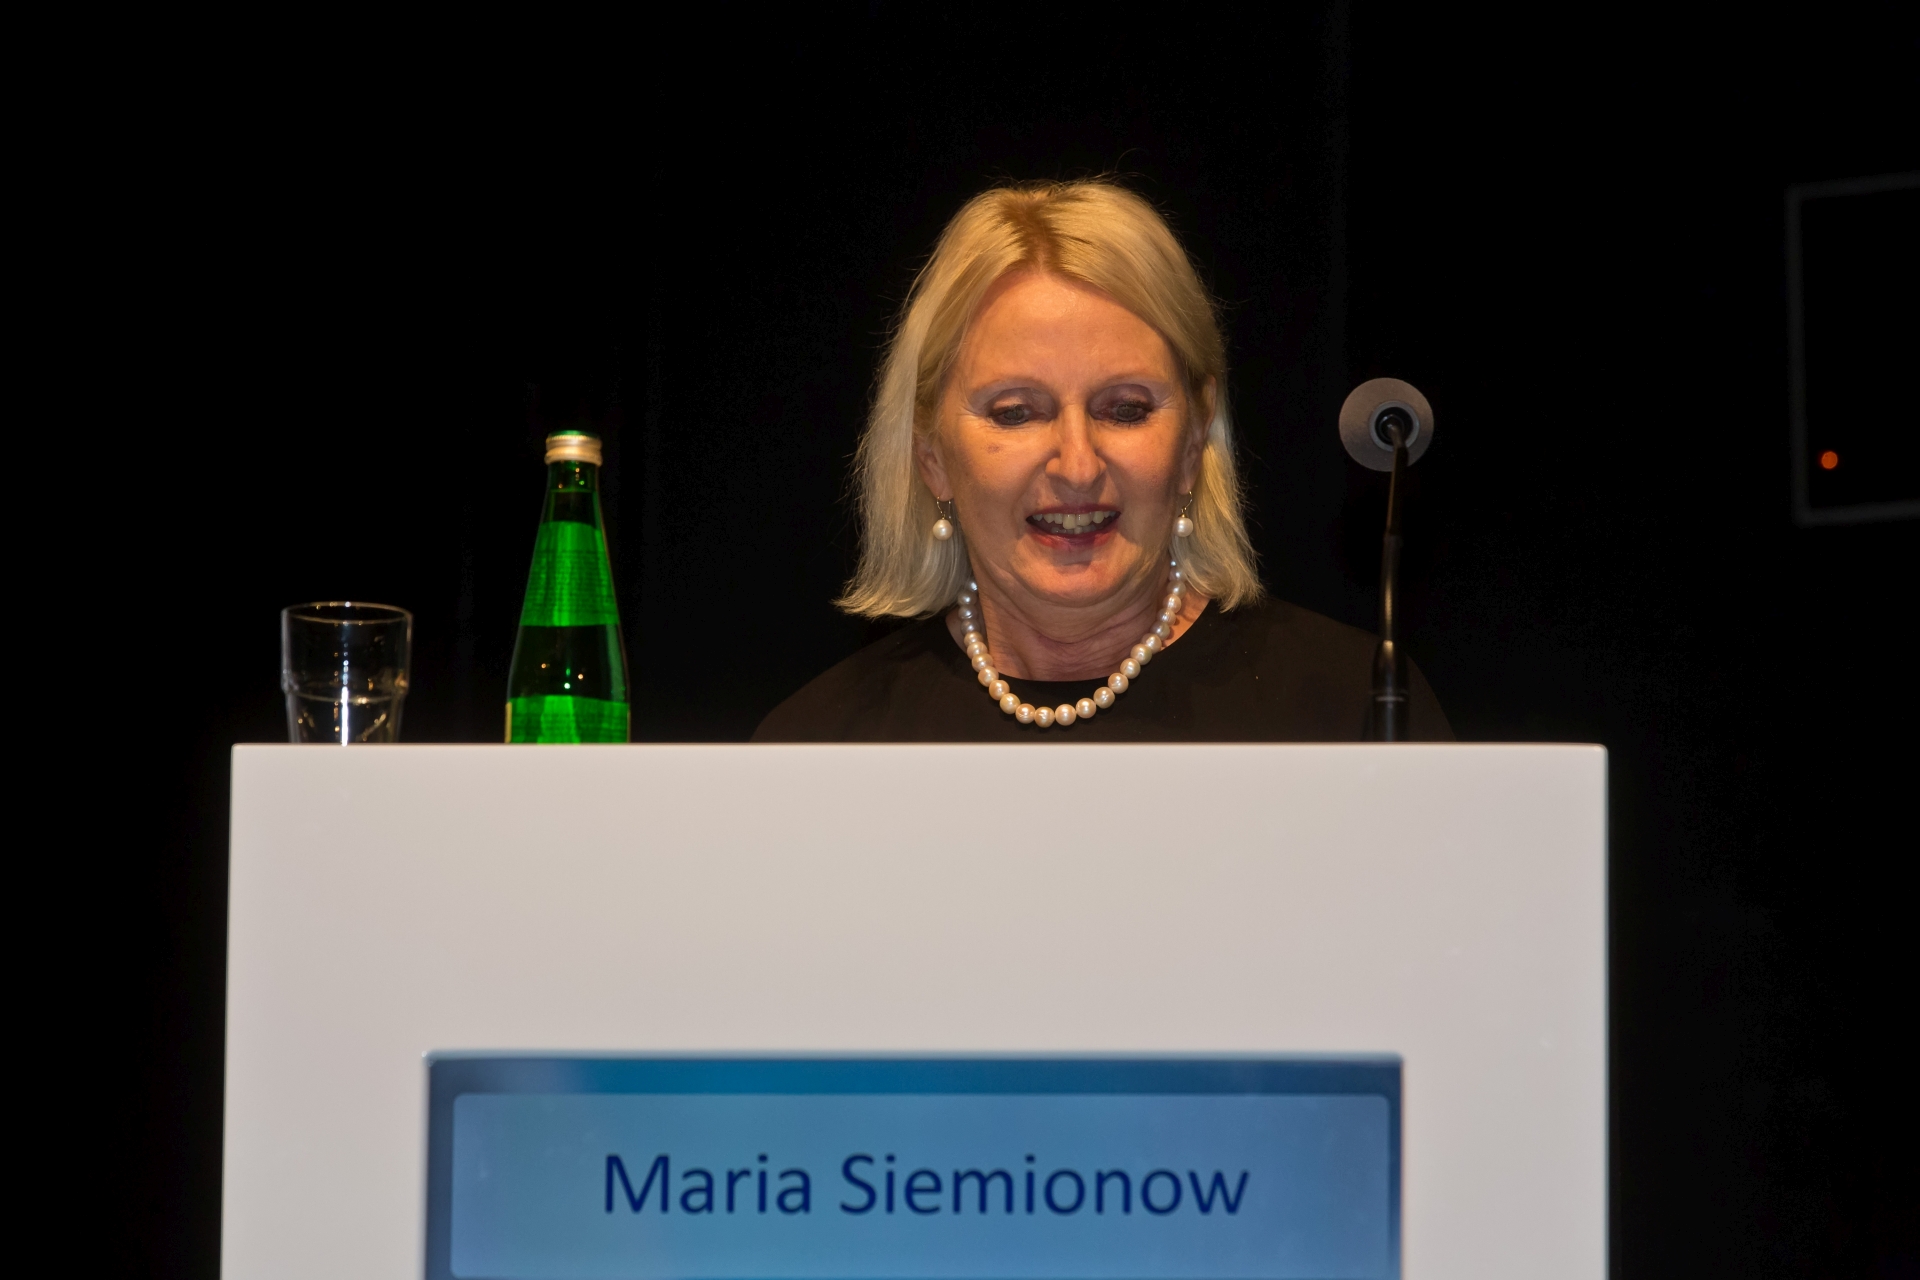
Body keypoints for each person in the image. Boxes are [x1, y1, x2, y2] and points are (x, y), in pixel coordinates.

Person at [754, 180, 1449, 742]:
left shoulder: (1353, 710)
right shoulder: (821, 748)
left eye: (1125, 410)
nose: (1078, 465)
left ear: (1194, 441)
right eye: (1016, 412)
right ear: (931, 456)